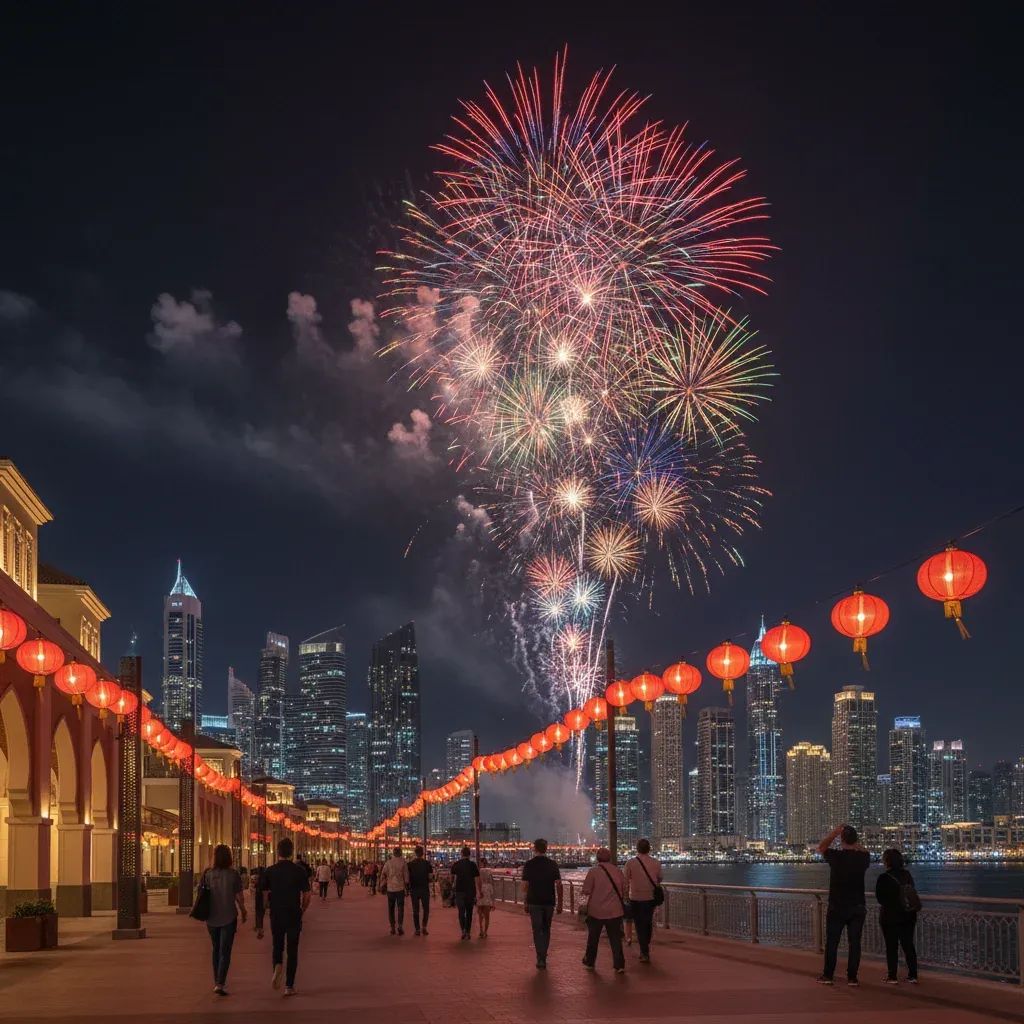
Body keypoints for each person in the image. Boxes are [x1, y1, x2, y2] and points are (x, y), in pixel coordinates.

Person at [817, 824, 871, 987]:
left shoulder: (836, 856)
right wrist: (854, 842)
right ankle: (852, 977)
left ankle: (828, 976)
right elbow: (865, 851)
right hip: (857, 907)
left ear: (841, 839)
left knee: (832, 942)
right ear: (856, 840)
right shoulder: (863, 858)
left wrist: (834, 833)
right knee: (855, 943)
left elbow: (821, 847)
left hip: (837, 907)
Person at [262, 837, 311, 996]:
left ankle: (277, 965)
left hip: (276, 913)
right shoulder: (299, 871)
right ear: (291, 852)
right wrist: (302, 908)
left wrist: (267, 906)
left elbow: (263, 894)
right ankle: (289, 985)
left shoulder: (270, 870)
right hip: (293, 913)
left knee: (277, 945)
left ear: (278, 852)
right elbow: (307, 894)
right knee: (292, 949)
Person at [202, 844, 247, 996]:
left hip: (211, 918)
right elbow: (240, 897)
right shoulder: (233, 874)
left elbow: (201, 894)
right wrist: (243, 911)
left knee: (215, 949)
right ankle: (220, 983)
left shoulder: (208, 874)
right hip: (229, 916)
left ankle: (217, 981)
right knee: (225, 951)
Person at [876, 848, 920, 984]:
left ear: (887, 861)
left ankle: (892, 976)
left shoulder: (883, 878)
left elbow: (880, 898)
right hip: (908, 915)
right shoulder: (907, 875)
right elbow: (911, 891)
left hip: (890, 916)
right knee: (908, 945)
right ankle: (913, 975)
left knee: (891, 946)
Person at [581, 848, 626, 974]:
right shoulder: (617, 871)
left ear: (597, 858)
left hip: (596, 911)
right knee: (615, 938)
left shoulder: (593, 872)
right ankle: (619, 964)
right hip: (615, 910)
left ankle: (590, 961)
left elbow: (586, 890)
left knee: (593, 937)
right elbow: (624, 887)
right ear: (610, 858)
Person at [521, 837, 561, 969]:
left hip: (534, 901)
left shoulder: (529, 864)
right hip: (549, 901)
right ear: (546, 849)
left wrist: (525, 901)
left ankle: (540, 957)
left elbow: (525, 886)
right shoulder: (553, 864)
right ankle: (543, 954)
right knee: (546, 928)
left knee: (537, 930)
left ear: (535, 849)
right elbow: (559, 885)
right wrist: (560, 903)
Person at [623, 838, 662, 963]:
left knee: (639, 924)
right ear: (649, 849)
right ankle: (646, 946)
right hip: (650, 898)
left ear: (637, 849)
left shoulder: (630, 863)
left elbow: (625, 880)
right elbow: (660, 878)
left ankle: (644, 951)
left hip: (635, 898)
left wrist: (626, 894)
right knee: (648, 922)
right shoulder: (656, 862)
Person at [450, 846, 480, 940]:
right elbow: (477, 879)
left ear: (461, 854)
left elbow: (451, 877)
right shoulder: (473, 865)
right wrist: (479, 891)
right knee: (469, 912)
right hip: (470, 891)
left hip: (459, 891)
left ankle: (463, 930)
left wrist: (452, 885)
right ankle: (468, 932)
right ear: (469, 854)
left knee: (461, 912)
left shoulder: (456, 864)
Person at [381, 846, 410, 935]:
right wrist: (407, 887)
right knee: (400, 908)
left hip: (390, 889)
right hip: (400, 889)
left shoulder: (388, 863)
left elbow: (383, 874)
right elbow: (406, 878)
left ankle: (392, 927)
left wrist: (383, 885)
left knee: (391, 908)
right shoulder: (403, 863)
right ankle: (400, 926)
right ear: (400, 853)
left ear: (393, 853)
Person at [407, 845, 435, 936]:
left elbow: (407, 877)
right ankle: (424, 927)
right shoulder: (427, 864)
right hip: (424, 889)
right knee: (426, 909)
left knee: (415, 910)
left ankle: (417, 929)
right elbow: (430, 877)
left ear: (415, 853)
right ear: (422, 853)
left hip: (414, 889)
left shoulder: (410, 864)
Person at [477, 856, 495, 937]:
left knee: (480, 914)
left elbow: (477, 881)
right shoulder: (489, 871)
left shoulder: (478, 871)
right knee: (487, 915)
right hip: (488, 890)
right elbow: (492, 882)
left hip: (480, 890)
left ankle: (481, 930)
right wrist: (493, 901)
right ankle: (485, 932)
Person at [251, 864, 266, 939]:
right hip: (262, 899)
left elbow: (254, 887)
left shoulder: (259, 880)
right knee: (261, 913)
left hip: (258, 898)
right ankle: (259, 927)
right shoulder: (265, 880)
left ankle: (259, 928)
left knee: (258, 913)